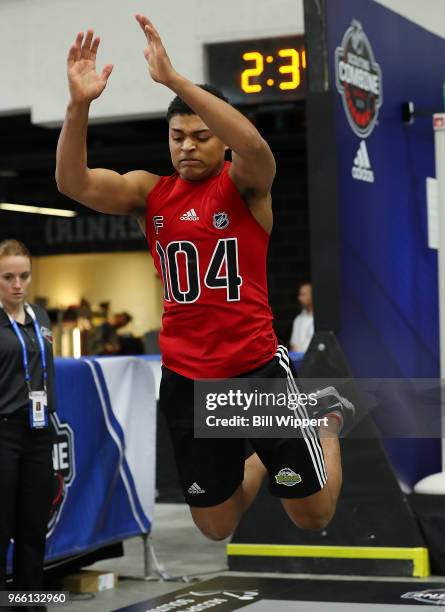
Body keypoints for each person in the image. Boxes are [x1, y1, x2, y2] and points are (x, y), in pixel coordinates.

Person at [55, 15, 353, 541]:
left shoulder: (245, 187)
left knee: (314, 515)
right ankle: (258, 459)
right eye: (177, 137)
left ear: (221, 143)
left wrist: (174, 80)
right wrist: (79, 105)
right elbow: (72, 182)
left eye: (200, 136)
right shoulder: (151, 193)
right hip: (189, 380)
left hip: (254, 367)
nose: (187, 146)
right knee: (216, 526)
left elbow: (257, 148)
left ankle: (323, 421)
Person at [0, 239, 56, 606]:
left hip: (39, 430)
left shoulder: (40, 317)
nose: (17, 284)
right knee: (2, 525)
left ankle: (30, 601)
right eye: (7, 277)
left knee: (34, 527)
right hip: (3, 431)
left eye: (24, 275)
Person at [289, 282, 314, 353]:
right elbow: (293, 347)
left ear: (312, 295)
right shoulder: (298, 319)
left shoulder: (322, 318)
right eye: (299, 294)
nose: (299, 298)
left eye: (303, 295)